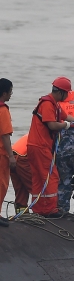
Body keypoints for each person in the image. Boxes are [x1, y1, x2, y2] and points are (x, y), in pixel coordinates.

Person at [27, 77, 74, 217]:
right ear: (62, 92)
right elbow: (52, 125)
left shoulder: (54, 104)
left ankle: (40, 209)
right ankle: (50, 209)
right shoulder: (47, 104)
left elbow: (66, 117)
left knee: (40, 178)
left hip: (38, 145)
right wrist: (66, 126)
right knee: (51, 176)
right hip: (40, 146)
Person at [0, 78, 14, 226]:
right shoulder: (2, 110)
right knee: (1, 183)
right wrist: (11, 156)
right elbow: (5, 135)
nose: (11, 94)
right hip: (1, 154)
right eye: (10, 91)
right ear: (4, 93)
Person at [10, 134, 31, 214]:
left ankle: (21, 214)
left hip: (12, 157)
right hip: (23, 158)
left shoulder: (31, 134)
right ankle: (45, 212)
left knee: (21, 189)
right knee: (37, 187)